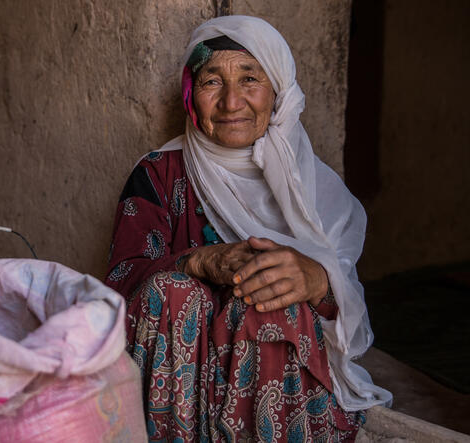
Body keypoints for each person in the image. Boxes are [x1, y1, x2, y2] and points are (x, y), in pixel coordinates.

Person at [105, 15, 391, 442]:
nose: (231, 102)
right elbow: (118, 284)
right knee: (172, 292)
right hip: (183, 376)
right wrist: (197, 262)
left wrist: (316, 279)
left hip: (278, 376)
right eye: (211, 82)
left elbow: (344, 310)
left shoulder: (314, 188)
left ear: (278, 92)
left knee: (273, 298)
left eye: (250, 79)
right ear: (190, 96)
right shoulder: (160, 174)